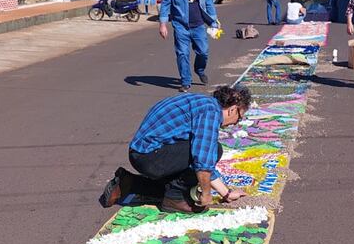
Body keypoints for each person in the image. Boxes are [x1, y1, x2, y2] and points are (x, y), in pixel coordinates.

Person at [99, 85, 251, 214]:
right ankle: (174, 200)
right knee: (213, 151)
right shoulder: (211, 113)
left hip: (143, 154)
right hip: (150, 157)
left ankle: (128, 183)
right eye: (239, 117)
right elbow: (203, 160)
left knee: (188, 179)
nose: (236, 123)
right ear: (232, 109)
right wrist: (206, 193)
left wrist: (226, 193)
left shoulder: (203, 103)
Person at [159, 0, 219, 92]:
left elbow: (209, 2)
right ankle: (186, 82)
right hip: (181, 27)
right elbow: (165, 6)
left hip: (198, 26)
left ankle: (199, 69)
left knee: (203, 52)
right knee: (182, 54)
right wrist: (162, 25)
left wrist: (213, 21)